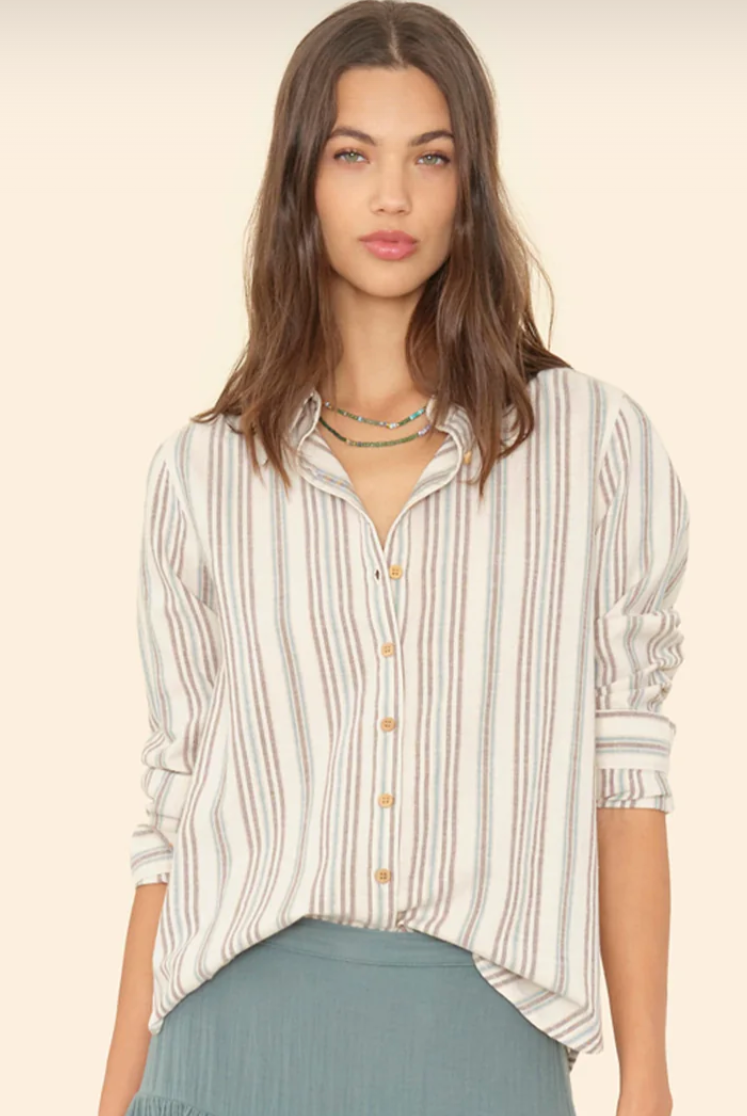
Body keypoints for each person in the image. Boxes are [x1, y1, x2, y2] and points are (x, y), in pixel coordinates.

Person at [99, 3, 690, 1115]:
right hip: (227, 1043)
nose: (391, 197)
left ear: (471, 187)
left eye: (430, 157)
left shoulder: (592, 446)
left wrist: (647, 1077)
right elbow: (173, 818)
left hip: (480, 1040)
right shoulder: (201, 475)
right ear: (301, 182)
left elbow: (627, 776)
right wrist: (113, 1097)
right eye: (351, 155)